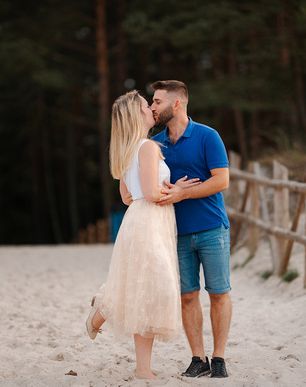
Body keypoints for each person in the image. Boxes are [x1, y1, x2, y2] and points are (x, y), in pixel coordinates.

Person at [85, 90, 198, 380]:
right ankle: (139, 363)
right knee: (155, 289)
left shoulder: (127, 148)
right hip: (150, 220)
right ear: (137, 115)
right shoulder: (147, 147)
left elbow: (127, 196)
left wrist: (162, 188)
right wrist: (178, 190)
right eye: (146, 106)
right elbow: (149, 193)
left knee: (146, 290)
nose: (151, 109)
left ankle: (139, 363)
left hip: (138, 218)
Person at [150, 80, 232, 378]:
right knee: (187, 296)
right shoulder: (156, 143)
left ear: (176, 104)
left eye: (158, 101)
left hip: (212, 228)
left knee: (219, 293)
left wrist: (184, 193)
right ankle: (198, 358)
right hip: (175, 232)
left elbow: (221, 181)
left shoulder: (208, 136)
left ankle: (219, 357)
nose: (153, 107)